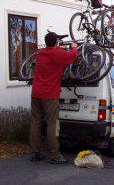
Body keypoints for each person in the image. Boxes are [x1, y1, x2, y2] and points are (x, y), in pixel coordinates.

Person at [30, 32, 78, 164]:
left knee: (35, 124)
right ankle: (55, 155)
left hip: (36, 93)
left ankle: (35, 153)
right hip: (50, 95)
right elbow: (73, 56)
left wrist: (58, 47)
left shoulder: (40, 53)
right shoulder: (59, 54)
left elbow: (52, 51)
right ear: (56, 42)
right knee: (52, 125)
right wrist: (73, 46)